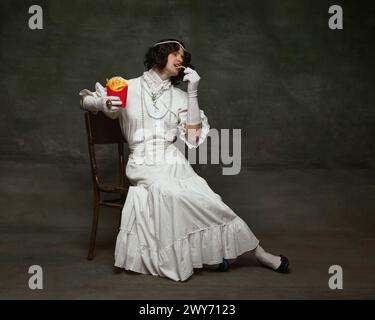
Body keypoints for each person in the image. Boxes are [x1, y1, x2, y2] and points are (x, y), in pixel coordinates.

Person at [79, 38, 290, 281]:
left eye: (184, 57)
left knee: (211, 200)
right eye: (176, 54)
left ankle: (259, 253)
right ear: (161, 54)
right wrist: (101, 101)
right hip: (144, 163)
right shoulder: (128, 86)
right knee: (175, 194)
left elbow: (192, 136)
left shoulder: (180, 96)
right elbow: (85, 101)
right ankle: (215, 256)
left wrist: (193, 92)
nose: (181, 59)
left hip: (174, 161)